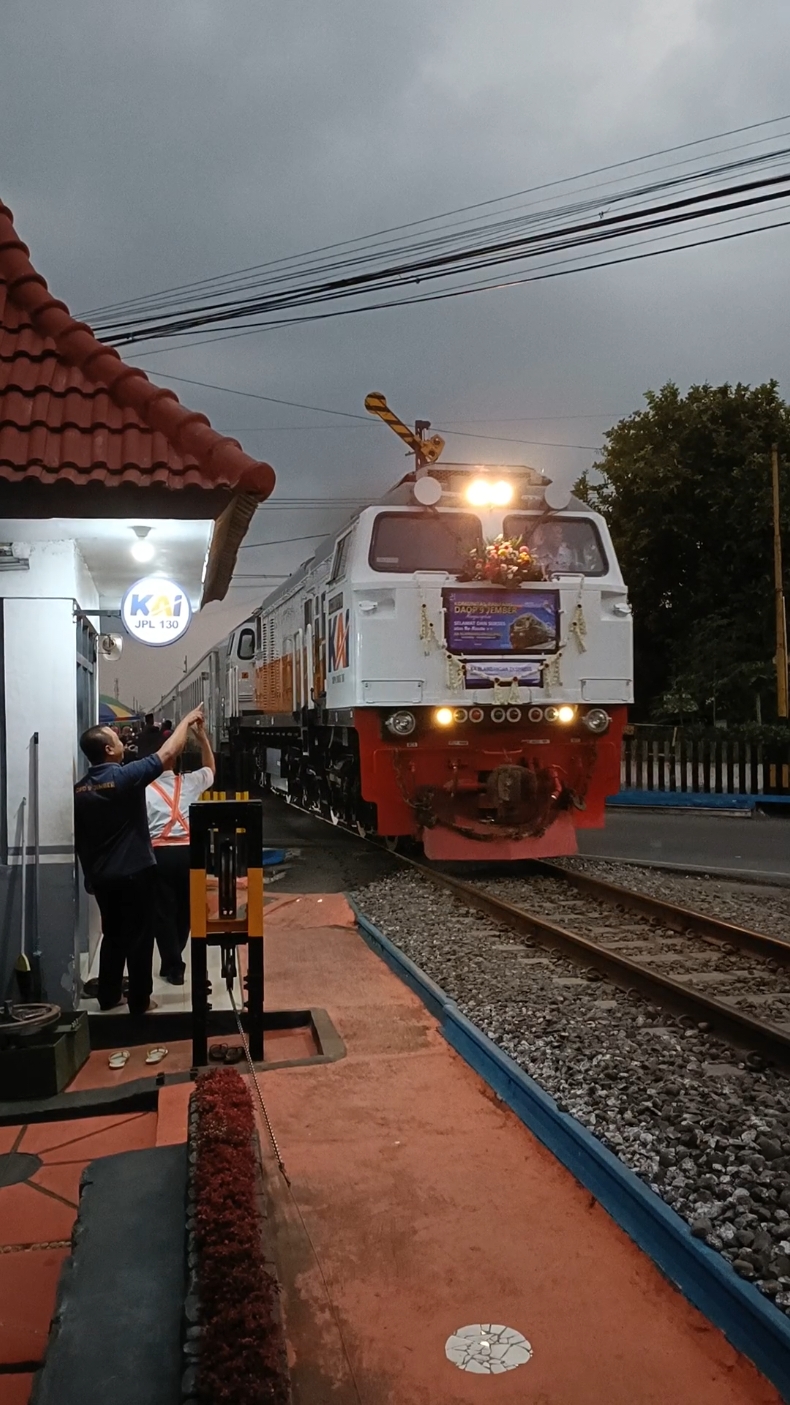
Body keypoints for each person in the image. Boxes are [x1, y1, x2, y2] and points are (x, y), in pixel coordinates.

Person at [74, 705, 204, 1016]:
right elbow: (168, 751)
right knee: (141, 939)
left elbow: (82, 840)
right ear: (108, 750)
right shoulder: (125, 777)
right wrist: (187, 719)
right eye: (116, 740)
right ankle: (140, 1001)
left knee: (114, 936)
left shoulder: (80, 789)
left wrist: (89, 877)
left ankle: (108, 996)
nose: (122, 742)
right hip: (135, 874)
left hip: (103, 878)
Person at [146, 719, 215, 984]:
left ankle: (172, 964)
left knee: (163, 912)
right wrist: (203, 739)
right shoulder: (190, 783)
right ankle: (175, 957)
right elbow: (210, 768)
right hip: (190, 855)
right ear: (174, 761)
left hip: (159, 856)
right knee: (186, 910)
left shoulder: (143, 789)